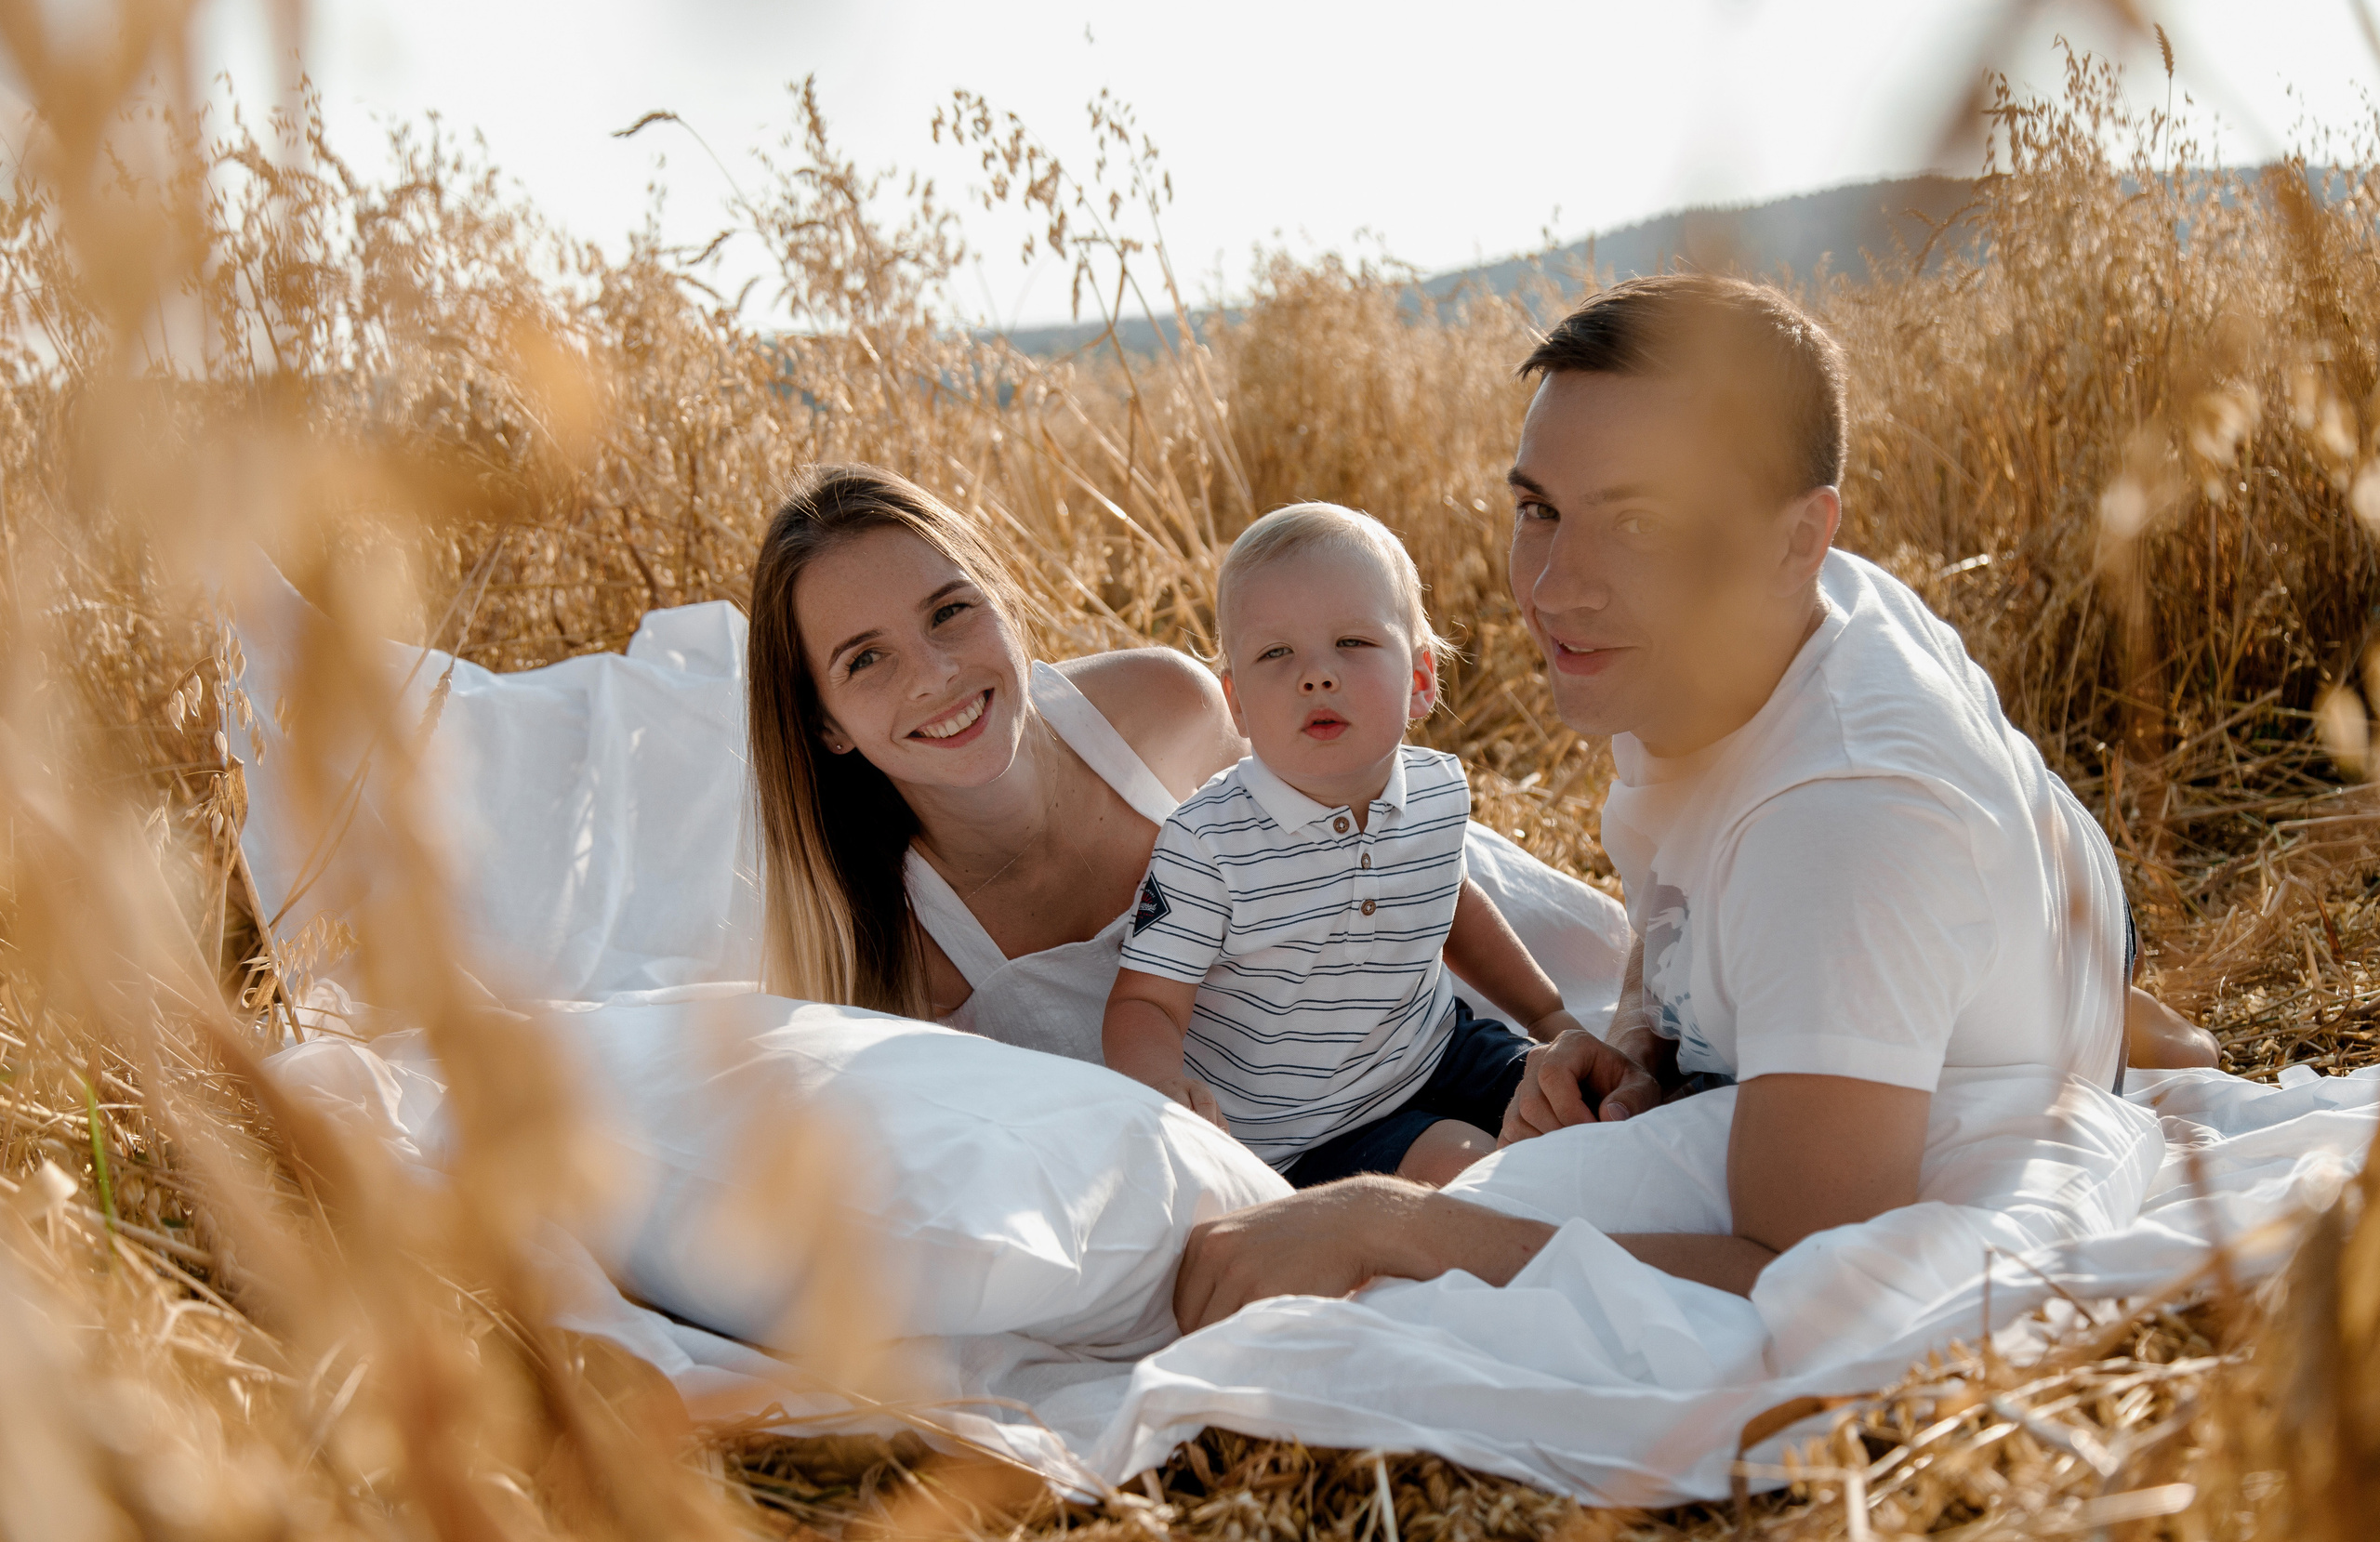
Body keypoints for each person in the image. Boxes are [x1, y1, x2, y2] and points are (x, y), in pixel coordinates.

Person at [1171, 274, 2221, 1329]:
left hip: (2047, 913)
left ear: (1795, 542)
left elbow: (1793, 1272)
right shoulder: (1708, 624)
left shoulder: (1844, 832)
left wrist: (1382, 1223)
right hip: (2008, 857)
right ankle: (2013, 976)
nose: (1551, 589)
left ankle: (2106, 1016)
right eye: (1538, 510)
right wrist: (1637, 1034)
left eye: (1637, 523)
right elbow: (1686, 863)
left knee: (1897, 948)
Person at [1104, 504, 1581, 1188]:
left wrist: (1549, 1014)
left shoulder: (1437, 789)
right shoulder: (1209, 844)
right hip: (1314, 1129)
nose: (1316, 675)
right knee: (1471, 1168)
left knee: (1584, 1102)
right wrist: (1160, 1089)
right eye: (1277, 653)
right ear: (1235, 703)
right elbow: (1146, 1001)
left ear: (1420, 679)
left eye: (1352, 643)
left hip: (1438, 1047)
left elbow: (1452, 906)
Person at [746, 463, 1244, 1055]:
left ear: (1002, 596)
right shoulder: (894, 960)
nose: (936, 675)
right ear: (826, 725)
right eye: (866, 659)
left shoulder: (1167, 711)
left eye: (948, 612)